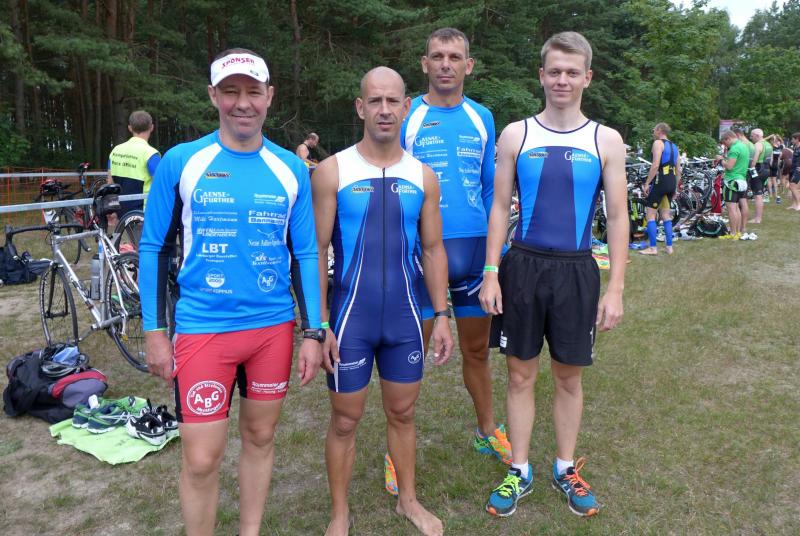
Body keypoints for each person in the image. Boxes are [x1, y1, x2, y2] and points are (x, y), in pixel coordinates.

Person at [139, 48, 324, 536]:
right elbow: (154, 248)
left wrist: (314, 332)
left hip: (272, 329)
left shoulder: (290, 168)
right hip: (204, 328)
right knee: (202, 459)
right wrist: (155, 331)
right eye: (230, 91)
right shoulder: (182, 161)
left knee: (260, 437)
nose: (243, 103)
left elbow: (306, 253)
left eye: (253, 92)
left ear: (270, 96)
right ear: (213, 96)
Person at [479, 31, 627, 518]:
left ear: (588, 77)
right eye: (555, 71)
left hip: (577, 271)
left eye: (572, 72)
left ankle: (565, 467)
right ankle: (519, 469)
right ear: (541, 75)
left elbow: (618, 217)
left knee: (568, 376)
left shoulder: (605, 139)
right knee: (519, 374)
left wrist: (616, 288)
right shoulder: (516, 134)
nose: (563, 79)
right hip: (522, 267)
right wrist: (491, 271)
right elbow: (499, 207)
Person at [313, 66, 454, 536]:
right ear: (360, 107)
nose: (385, 110)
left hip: (405, 318)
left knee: (403, 413)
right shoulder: (332, 171)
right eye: (375, 100)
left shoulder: (423, 176)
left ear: (407, 107)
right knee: (345, 419)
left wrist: (442, 315)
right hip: (350, 319)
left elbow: (433, 249)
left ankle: (407, 501)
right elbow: (316, 251)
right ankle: (339, 514)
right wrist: (319, 324)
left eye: (393, 101)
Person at [385, 27, 508, 492]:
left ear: (468, 65)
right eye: (437, 56)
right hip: (421, 255)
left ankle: (486, 430)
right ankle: (395, 453)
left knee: (477, 351)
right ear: (424, 63)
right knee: (408, 358)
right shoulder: (408, 114)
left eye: (455, 57)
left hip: (474, 251)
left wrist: (496, 257)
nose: (445, 64)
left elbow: (491, 189)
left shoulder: (482, 116)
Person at [107, 110, 161, 217]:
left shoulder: (115, 151)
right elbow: (161, 185)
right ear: (151, 127)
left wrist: (112, 211)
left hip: (121, 212)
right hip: (143, 213)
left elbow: (110, 183)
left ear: (130, 128)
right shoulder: (151, 154)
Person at [640, 123, 681, 255]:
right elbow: (679, 169)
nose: (653, 132)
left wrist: (647, 183)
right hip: (671, 182)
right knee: (666, 215)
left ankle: (653, 248)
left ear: (659, 130)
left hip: (661, 181)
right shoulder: (675, 146)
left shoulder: (658, 143)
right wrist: (675, 188)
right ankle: (669, 247)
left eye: (654, 130)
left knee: (650, 215)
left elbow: (655, 164)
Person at [715, 130, 755, 240]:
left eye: (725, 143)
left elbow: (729, 166)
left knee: (731, 209)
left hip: (732, 181)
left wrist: (721, 160)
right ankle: (737, 232)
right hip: (742, 180)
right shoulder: (744, 146)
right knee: (736, 208)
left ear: (728, 138)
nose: (725, 145)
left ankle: (733, 233)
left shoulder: (734, 149)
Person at [749, 128, 770, 222]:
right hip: (766, 169)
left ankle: (757, 218)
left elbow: (754, 160)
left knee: (757, 195)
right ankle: (758, 217)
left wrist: (750, 169)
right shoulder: (768, 144)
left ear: (757, 135)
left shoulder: (758, 144)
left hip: (758, 170)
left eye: (752, 136)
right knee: (760, 194)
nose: (751, 138)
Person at [767, 134, 783, 204]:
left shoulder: (771, 147)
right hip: (776, 164)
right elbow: (779, 158)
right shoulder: (780, 147)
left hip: (771, 164)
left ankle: (770, 194)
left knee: (769, 179)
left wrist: (770, 164)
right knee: (774, 179)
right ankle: (776, 194)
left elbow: (771, 157)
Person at [788, 133, 800, 210]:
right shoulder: (795, 147)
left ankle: (798, 205)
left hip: (797, 170)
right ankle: (793, 204)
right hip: (792, 168)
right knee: (790, 186)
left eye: (792, 139)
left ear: (797, 139)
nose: (791, 140)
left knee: (793, 186)